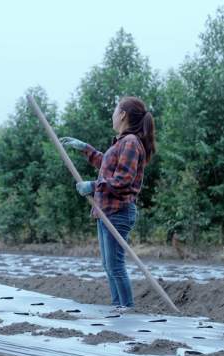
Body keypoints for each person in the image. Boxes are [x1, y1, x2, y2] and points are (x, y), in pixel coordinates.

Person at [60, 96, 156, 313]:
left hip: (118, 211)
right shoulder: (122, 142)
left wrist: (93, 186)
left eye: (115, 110)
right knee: (109, 265)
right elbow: (106, 164)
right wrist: (86, 149)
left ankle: (127, 310)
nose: (112, 115)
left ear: (122, 115)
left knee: (115, 265)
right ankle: (117, 307)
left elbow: (122, 180)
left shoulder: (131, 142)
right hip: (106, 211)